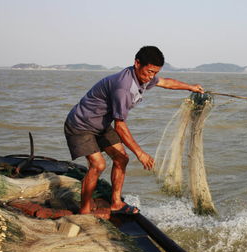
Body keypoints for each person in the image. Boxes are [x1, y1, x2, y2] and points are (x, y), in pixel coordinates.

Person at [64, 46, 204, 215]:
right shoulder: (123, 87)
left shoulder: (143, 78)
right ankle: (84, 211)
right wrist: (140, 153)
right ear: (137, 63)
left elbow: (166, 82)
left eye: (155, 72)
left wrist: (191, 87)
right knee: (98, 164)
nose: (151, 76)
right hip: (81, 124)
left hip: (100, 124)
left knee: (122, 159)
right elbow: (120, 126)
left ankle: (116, 203)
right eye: (149, 71)